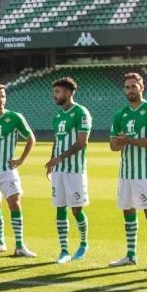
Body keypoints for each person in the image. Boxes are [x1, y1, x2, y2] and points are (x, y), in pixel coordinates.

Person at [108, 71, 147, 270]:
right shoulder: (119, 114)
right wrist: (118, 143)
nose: (130, 90)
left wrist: (128, 140)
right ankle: (131, 255)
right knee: (128, 211)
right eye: (127, 87)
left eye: (134, 86)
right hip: (125, 174)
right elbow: (113, 146)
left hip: (144, 174)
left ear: (142, 87)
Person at [0, 82, 36, 257]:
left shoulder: (15, 118)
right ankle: (1, 242)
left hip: (8, 170)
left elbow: (31, 138)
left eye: (3, 96)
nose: (0, 99)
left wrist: (21, 159)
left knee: (15, 203)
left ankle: (20, 245)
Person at [45, 77, 90, 263]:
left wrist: (60, 158)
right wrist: (52, 161)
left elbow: (82, 143)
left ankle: (84, 243)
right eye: (54, 92)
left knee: (76, 210)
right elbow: (57, 140)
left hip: (75, 171)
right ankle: (64, 250)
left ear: (69, 93)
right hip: (59, 171)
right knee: (60, 207)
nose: (54, 95)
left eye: (58, 92)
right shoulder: (57, 117)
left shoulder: (81, 112)